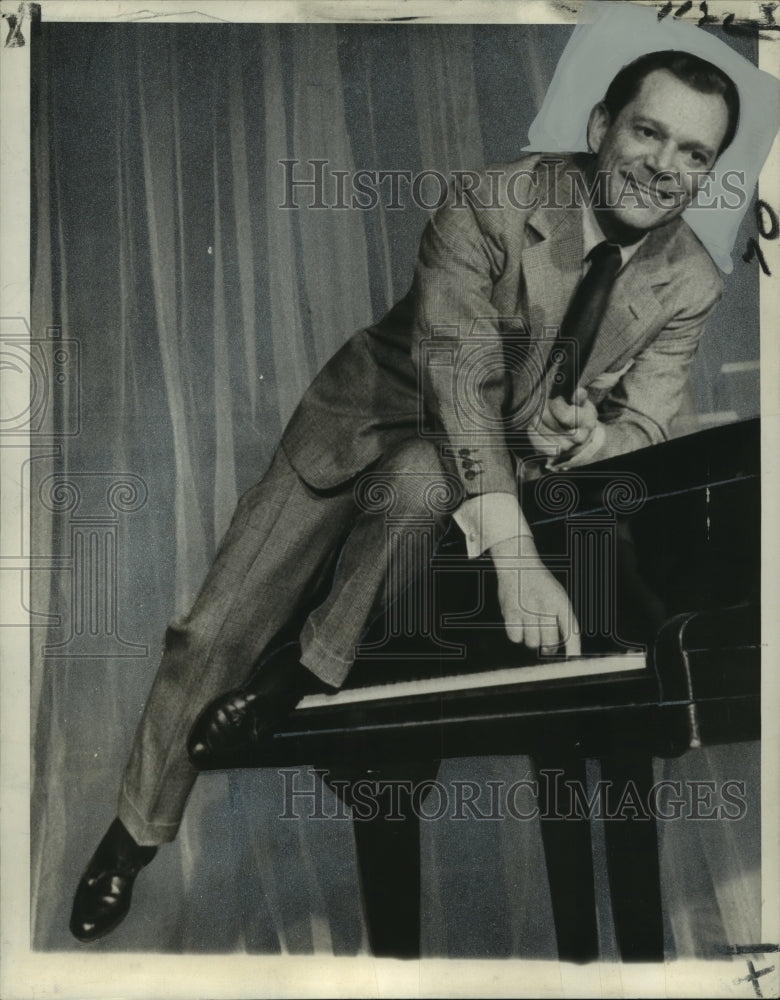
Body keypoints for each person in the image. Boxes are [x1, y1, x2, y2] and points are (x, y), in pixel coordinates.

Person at [70, 48, 739, 943]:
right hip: (372, 419)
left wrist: (596, 438)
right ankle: (132, 838)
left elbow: (647, 425)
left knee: (425, 486)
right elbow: (456, 379)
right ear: (599, 129)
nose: (665, 166)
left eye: (694, 154)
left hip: (469, 469)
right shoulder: (488, 201)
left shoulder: (690, 277)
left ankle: (292, 681)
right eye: (648, 132)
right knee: (213, 632)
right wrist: (514, 560)